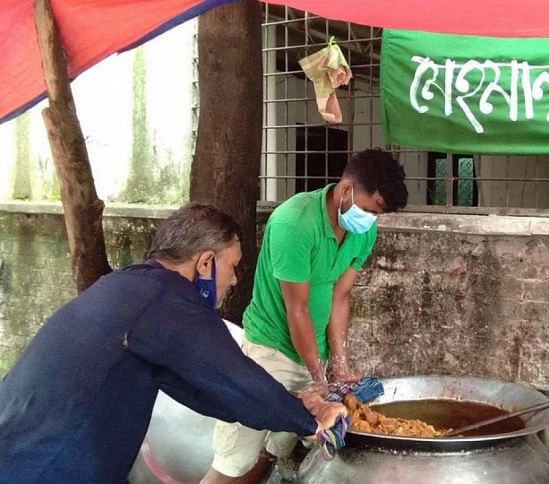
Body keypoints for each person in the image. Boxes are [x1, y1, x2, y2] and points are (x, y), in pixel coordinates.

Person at [0, 203, 345, 484]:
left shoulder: (128, 287)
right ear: (206, 262)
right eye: (233, 267)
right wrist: (311, 419)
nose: (234, 280)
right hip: (49, 466)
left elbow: (206, 391)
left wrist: (294, 406)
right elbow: (233, 377)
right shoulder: (169, 301)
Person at [203, 148, 408, 483]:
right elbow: (296, 309)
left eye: (378, 214)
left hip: (313, 356)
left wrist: (339, 367)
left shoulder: (364, 231)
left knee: (276, 447)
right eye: (370, 210)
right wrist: (319, 380)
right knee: (235, 458)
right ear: (346, 189)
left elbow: (340, 297)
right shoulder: (294, 223)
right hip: (270, 353)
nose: (371, 220)